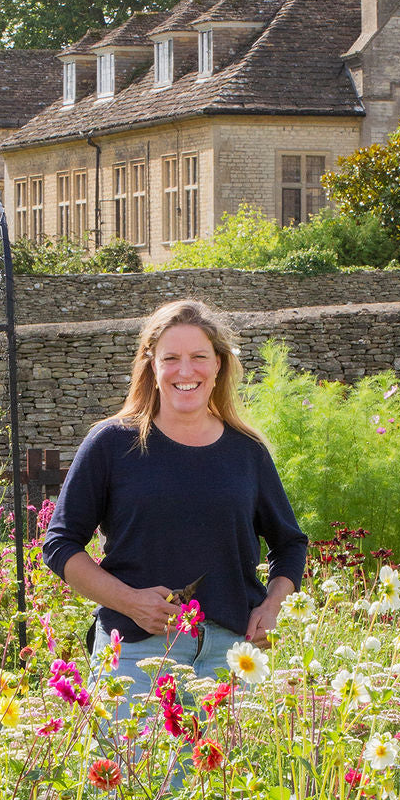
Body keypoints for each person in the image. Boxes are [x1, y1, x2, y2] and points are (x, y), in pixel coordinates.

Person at [42, 299, 308, 699]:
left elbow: (290, 544)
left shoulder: (247, 452)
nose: (186, 371)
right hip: (136, 653)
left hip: (232, 656)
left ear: (218, 364)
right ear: (152, 364)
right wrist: (131, 602)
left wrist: (271, 608)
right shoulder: (112, 444)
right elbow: (60, 545)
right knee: (134, 765)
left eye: (199, 356)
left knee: (234, 765)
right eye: (171, 358)